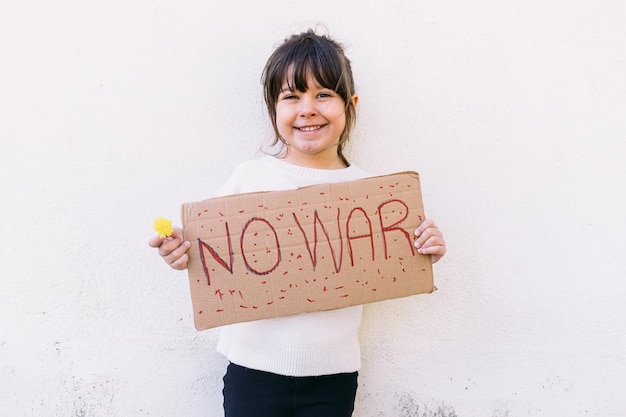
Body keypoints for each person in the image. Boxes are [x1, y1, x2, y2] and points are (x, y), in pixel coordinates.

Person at [149, 29, 446, 417]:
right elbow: (212, 253)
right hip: (253, 371)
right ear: (273, 108)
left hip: (333, 376)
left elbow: (394, 256)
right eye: (292, 96)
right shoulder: (248, 179)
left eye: (323, 94)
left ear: (350, 105)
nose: (307, 108)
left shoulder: (372, 195)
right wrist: (179, 252)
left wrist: (424, 249)